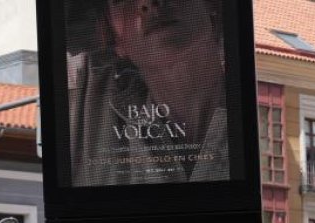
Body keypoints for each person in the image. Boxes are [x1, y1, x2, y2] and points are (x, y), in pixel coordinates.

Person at [66, 0, 230, 186]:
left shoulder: (253, 96)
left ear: (212, 5)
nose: (148, 3)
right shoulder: (87, 100)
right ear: (112, 35)